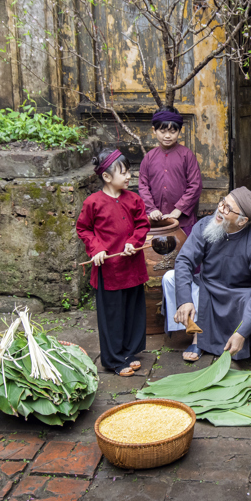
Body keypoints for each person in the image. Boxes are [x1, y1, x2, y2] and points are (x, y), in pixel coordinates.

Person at [162, 187, 251, 362]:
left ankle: (236, 340)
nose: (220, 209)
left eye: (228, 209)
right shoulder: (205, 224)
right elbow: (184, 260)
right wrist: (185, 299)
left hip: (236, 295)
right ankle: (195, 336)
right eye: (222, 202)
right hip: (206, 287)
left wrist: (242, 332)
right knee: (170, 278)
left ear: (242, 221)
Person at [76, 149, 151, 377]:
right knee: (112, 315)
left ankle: (129, 352)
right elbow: (84, 229)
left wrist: (133, 241)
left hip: (132, 266)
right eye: (124, 172)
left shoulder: (134, 199)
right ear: (107, 177)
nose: (129, 176)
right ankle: (114, 359)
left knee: (133, 311)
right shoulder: (93, 202)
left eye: (129, 171)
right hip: (109, 270)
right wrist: (96, 248)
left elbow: (142, 225)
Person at [138, 106, 203, 236]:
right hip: (156, 220)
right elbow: (143, 186)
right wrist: (151, 210)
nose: (167, 136)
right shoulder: (149, 157)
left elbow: (195, 185)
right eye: (162, 131)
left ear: (179, 131)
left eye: (173, 131)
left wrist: (178, 210)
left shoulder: (187, 155)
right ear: (154, 130)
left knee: (184, 251)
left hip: (183, 220)